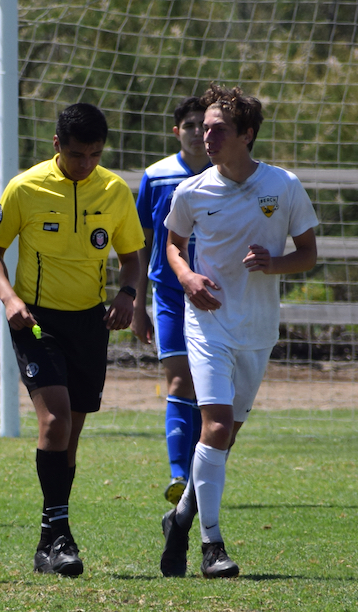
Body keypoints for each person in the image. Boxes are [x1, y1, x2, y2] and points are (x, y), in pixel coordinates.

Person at [160, 84, 318, 579]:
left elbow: (309, 253)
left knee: (224, 440)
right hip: (208, 326)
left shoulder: (283, 185)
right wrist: (186, 278)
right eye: (204, 128)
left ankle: (180, 514)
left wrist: (275, 264)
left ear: (247, 134)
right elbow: (172, 246)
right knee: (217, 428)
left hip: (258, 329)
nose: (207, 137)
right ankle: (212, 547)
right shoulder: (191, 190)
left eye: (219, 129)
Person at [0, 103, 144, 577]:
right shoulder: (25, 188)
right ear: (57, 146)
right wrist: (10, 299)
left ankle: (48, 541)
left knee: (69, 438)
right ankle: (65, 534)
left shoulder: (113, 190)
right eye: (76, 154)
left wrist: (128, 294)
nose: (86, 164)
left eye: (94, 154)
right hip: (36, 322)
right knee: (53, 423)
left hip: (90, 324)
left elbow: (132, 258)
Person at [132, 96, 211, 505]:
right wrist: (137, 302)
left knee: (210, 388)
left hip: (218, 296)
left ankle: (201, 472)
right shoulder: (157, 176)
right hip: (169, 295)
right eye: (190, 125)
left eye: (204, 124)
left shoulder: (226, 175)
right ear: (176, 130)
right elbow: (141, 241)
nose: (198, 132)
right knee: (180, 381)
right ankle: (179, 475)